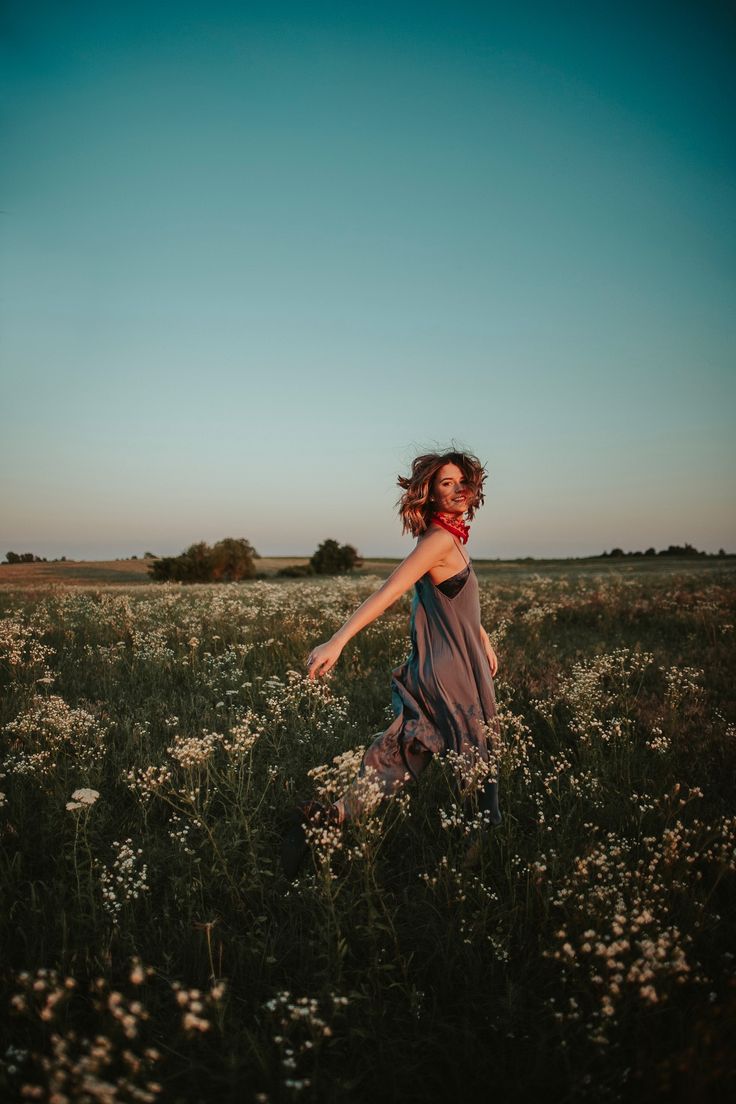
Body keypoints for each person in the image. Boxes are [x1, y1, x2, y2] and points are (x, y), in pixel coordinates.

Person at [281, 449, 502, 879]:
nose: (458, 490)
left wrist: (482, 637)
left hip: (446, 663)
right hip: (452, 674)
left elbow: (452, 602)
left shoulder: (448, 538)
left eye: (462, 482)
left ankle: (330, 817)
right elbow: (390, 591)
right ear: (430, 496)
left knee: (406, 754)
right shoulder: (439, 540)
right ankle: (472, 873)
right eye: (445, 484)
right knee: (479, 761)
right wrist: (338, 640)